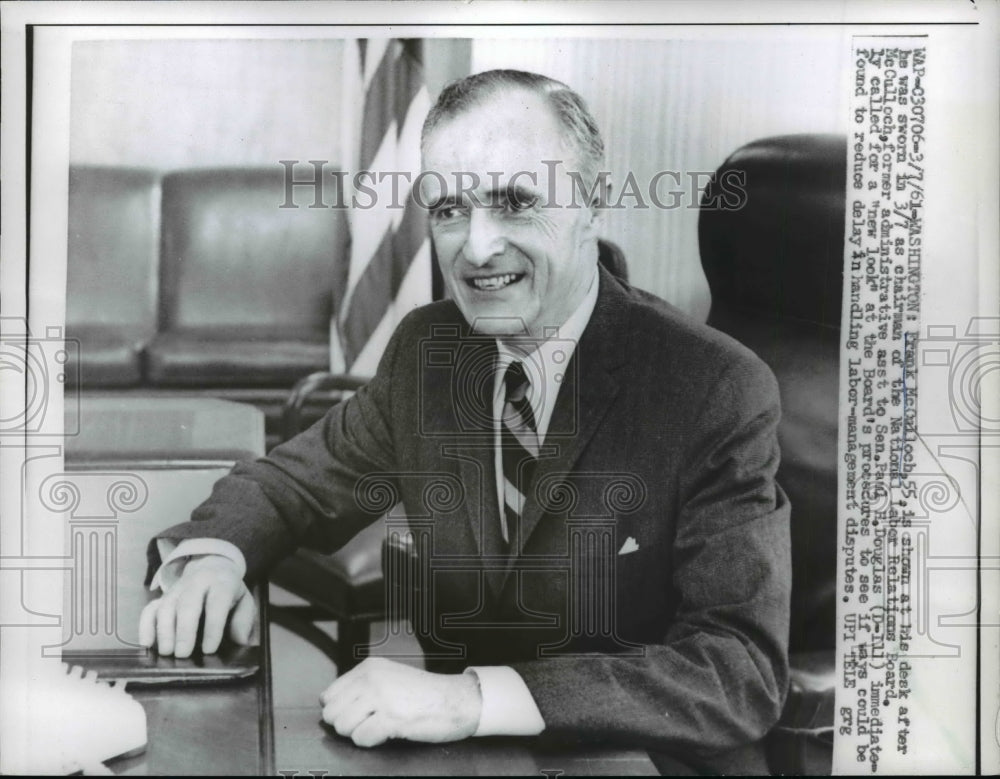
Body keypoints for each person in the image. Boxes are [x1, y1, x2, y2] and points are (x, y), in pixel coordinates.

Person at [140, 69, 791, 775]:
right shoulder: (431, 350)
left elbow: (738, 668)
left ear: (592, 202)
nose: (477, 248)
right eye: (449, 209)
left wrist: (473, 698)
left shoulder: (711, 386)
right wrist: (211, 559)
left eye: (515, 202)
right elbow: (289, 484)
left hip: (639, 760)